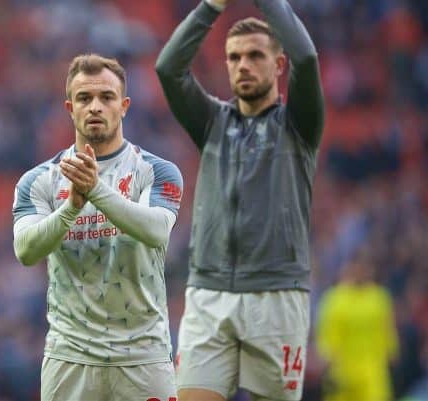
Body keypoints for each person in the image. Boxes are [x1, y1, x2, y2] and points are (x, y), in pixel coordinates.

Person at [156, 0, 324, 400]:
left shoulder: (298, 124)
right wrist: (211, 7)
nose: (243, 65)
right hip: (208, 295)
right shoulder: (212, 122)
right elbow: (168, 68)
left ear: (278, 65)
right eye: (234, 57)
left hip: (276, 295)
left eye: (254, 55)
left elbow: (307, 56)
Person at [12, 53, 182, 401]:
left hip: (143, 357)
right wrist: (71, 208)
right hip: (70, 358)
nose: (95, 106)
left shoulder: (157, 171)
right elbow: (25, 250)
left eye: (106, 97)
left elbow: (156, 231)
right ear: (69, 108)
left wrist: (95, 191)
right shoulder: (38, 181)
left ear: (124, 106)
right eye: (84, 98)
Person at [316, 260, 399, 401]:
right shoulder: (336, 298)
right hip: (342, 370)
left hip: (372, 369)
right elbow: (328, 332)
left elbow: (387, 328)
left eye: (365, 269)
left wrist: (391, 350)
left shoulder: (379, 297)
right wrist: (327, 356)